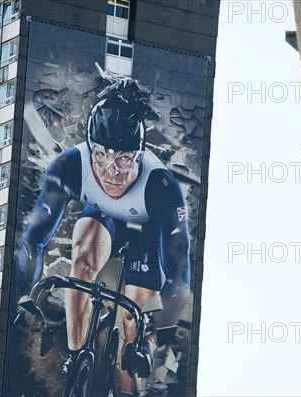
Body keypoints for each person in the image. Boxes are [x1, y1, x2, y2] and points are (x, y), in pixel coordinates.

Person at [13, 78, 191, 393]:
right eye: (101, 156)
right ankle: (77, 350)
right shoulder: (69, 165)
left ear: (140, 153)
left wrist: (153, 333)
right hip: (104, 217)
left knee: (132, 328)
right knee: (82, 261)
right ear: (90, 149)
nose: (111, 171)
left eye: (124, 159)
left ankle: (126, 381)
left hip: (145, 232)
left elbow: (179, 275)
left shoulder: (162, 187)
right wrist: (24, 293)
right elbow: (33, 240)